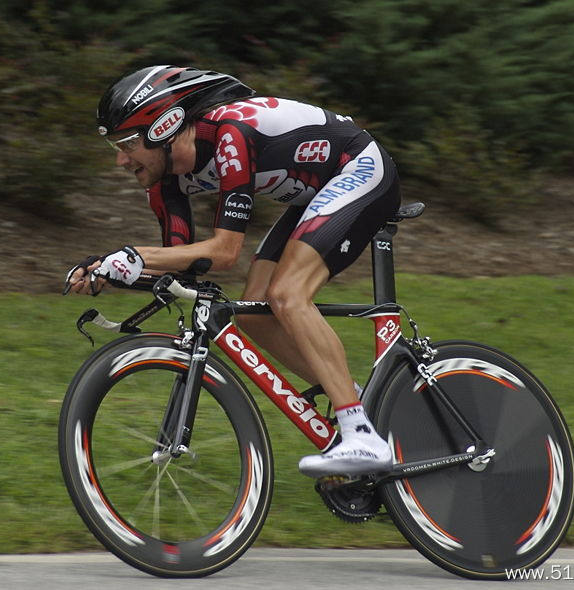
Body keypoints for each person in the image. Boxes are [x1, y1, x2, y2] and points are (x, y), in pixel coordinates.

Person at [65, 65, 401, 478]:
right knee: (251, 312)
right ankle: (357, 401)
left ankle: (360, 433)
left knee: (287, 295)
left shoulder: (229, 133)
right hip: (315, 193)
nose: (120, 160)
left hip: (359, 169)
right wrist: (113, 271)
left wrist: (134, 255)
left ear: (164, 126)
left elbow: (224, 252)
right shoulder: (163, 181)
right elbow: (183, 268)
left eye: (128, 143)